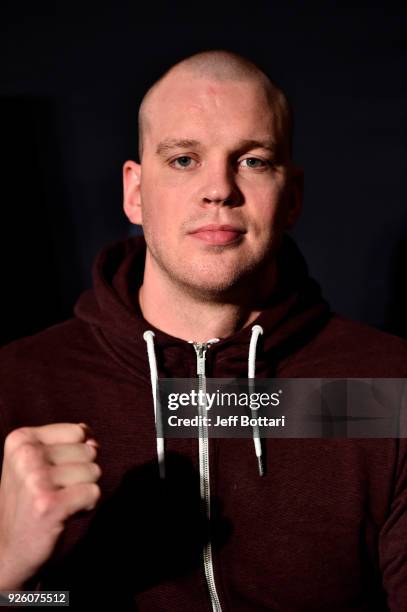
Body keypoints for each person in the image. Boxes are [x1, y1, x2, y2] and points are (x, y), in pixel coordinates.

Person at [0, 49, 406, 611]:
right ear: (135, 192)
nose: (219, 188)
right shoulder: (17, 384)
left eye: (253, 161)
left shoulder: (388, 382)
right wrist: (7, 577)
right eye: (185, 159)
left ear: (292, 196)